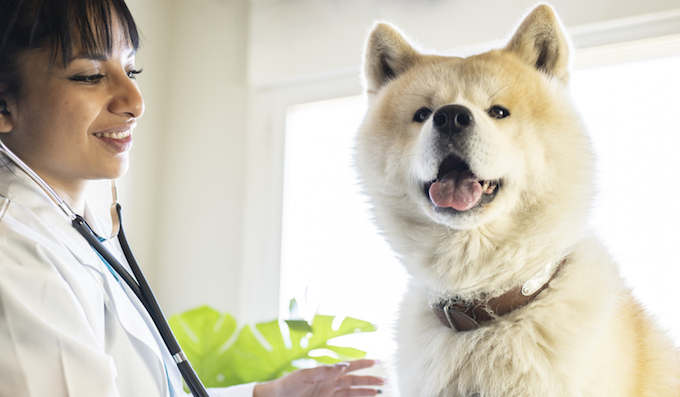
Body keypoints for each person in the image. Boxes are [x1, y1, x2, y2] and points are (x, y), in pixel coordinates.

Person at [0, 0, 385, 396]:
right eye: (90, 75)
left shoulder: (70, 232)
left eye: (132, 70)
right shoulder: (16, 254)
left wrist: (264, 396)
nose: (134, 101)